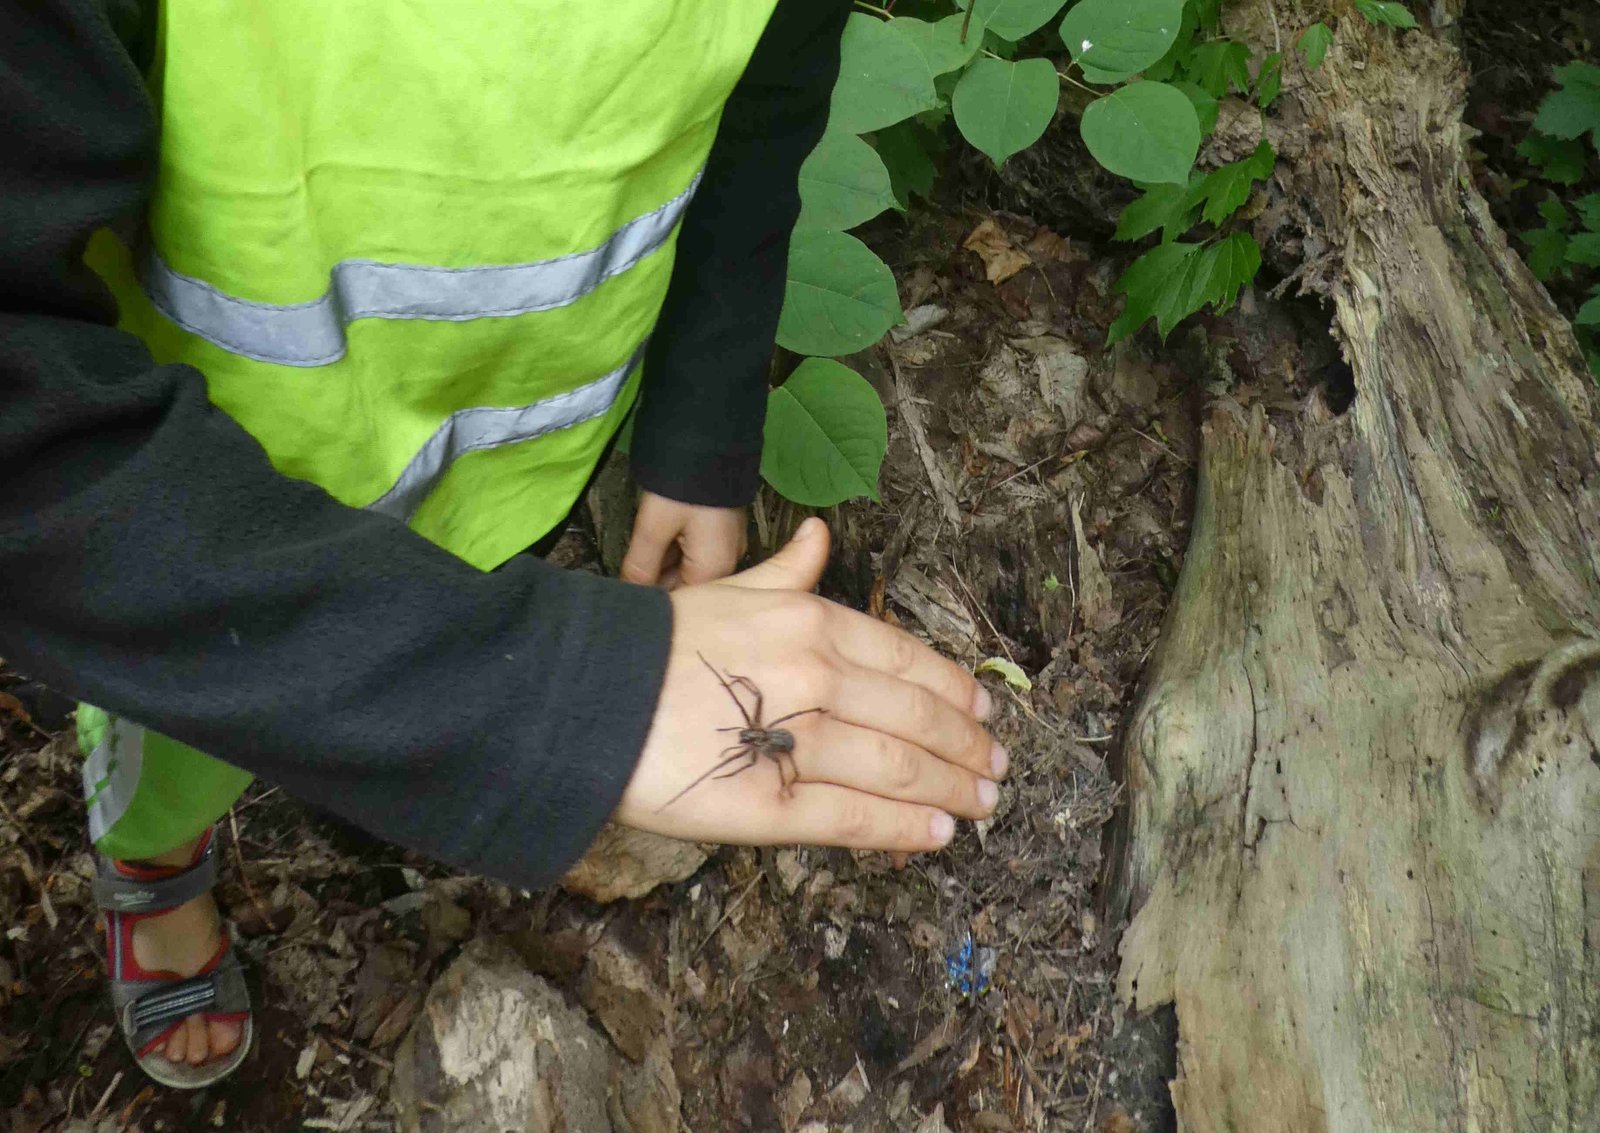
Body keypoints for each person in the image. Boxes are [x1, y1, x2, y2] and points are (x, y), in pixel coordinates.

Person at [0, 0, 1005, 1089]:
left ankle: (380, 729)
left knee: (413, 627)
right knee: (188, 742)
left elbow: (762, 95)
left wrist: (700, 423)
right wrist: (552, 699)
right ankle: (154, 855)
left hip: (496, 471)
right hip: (202, 519)